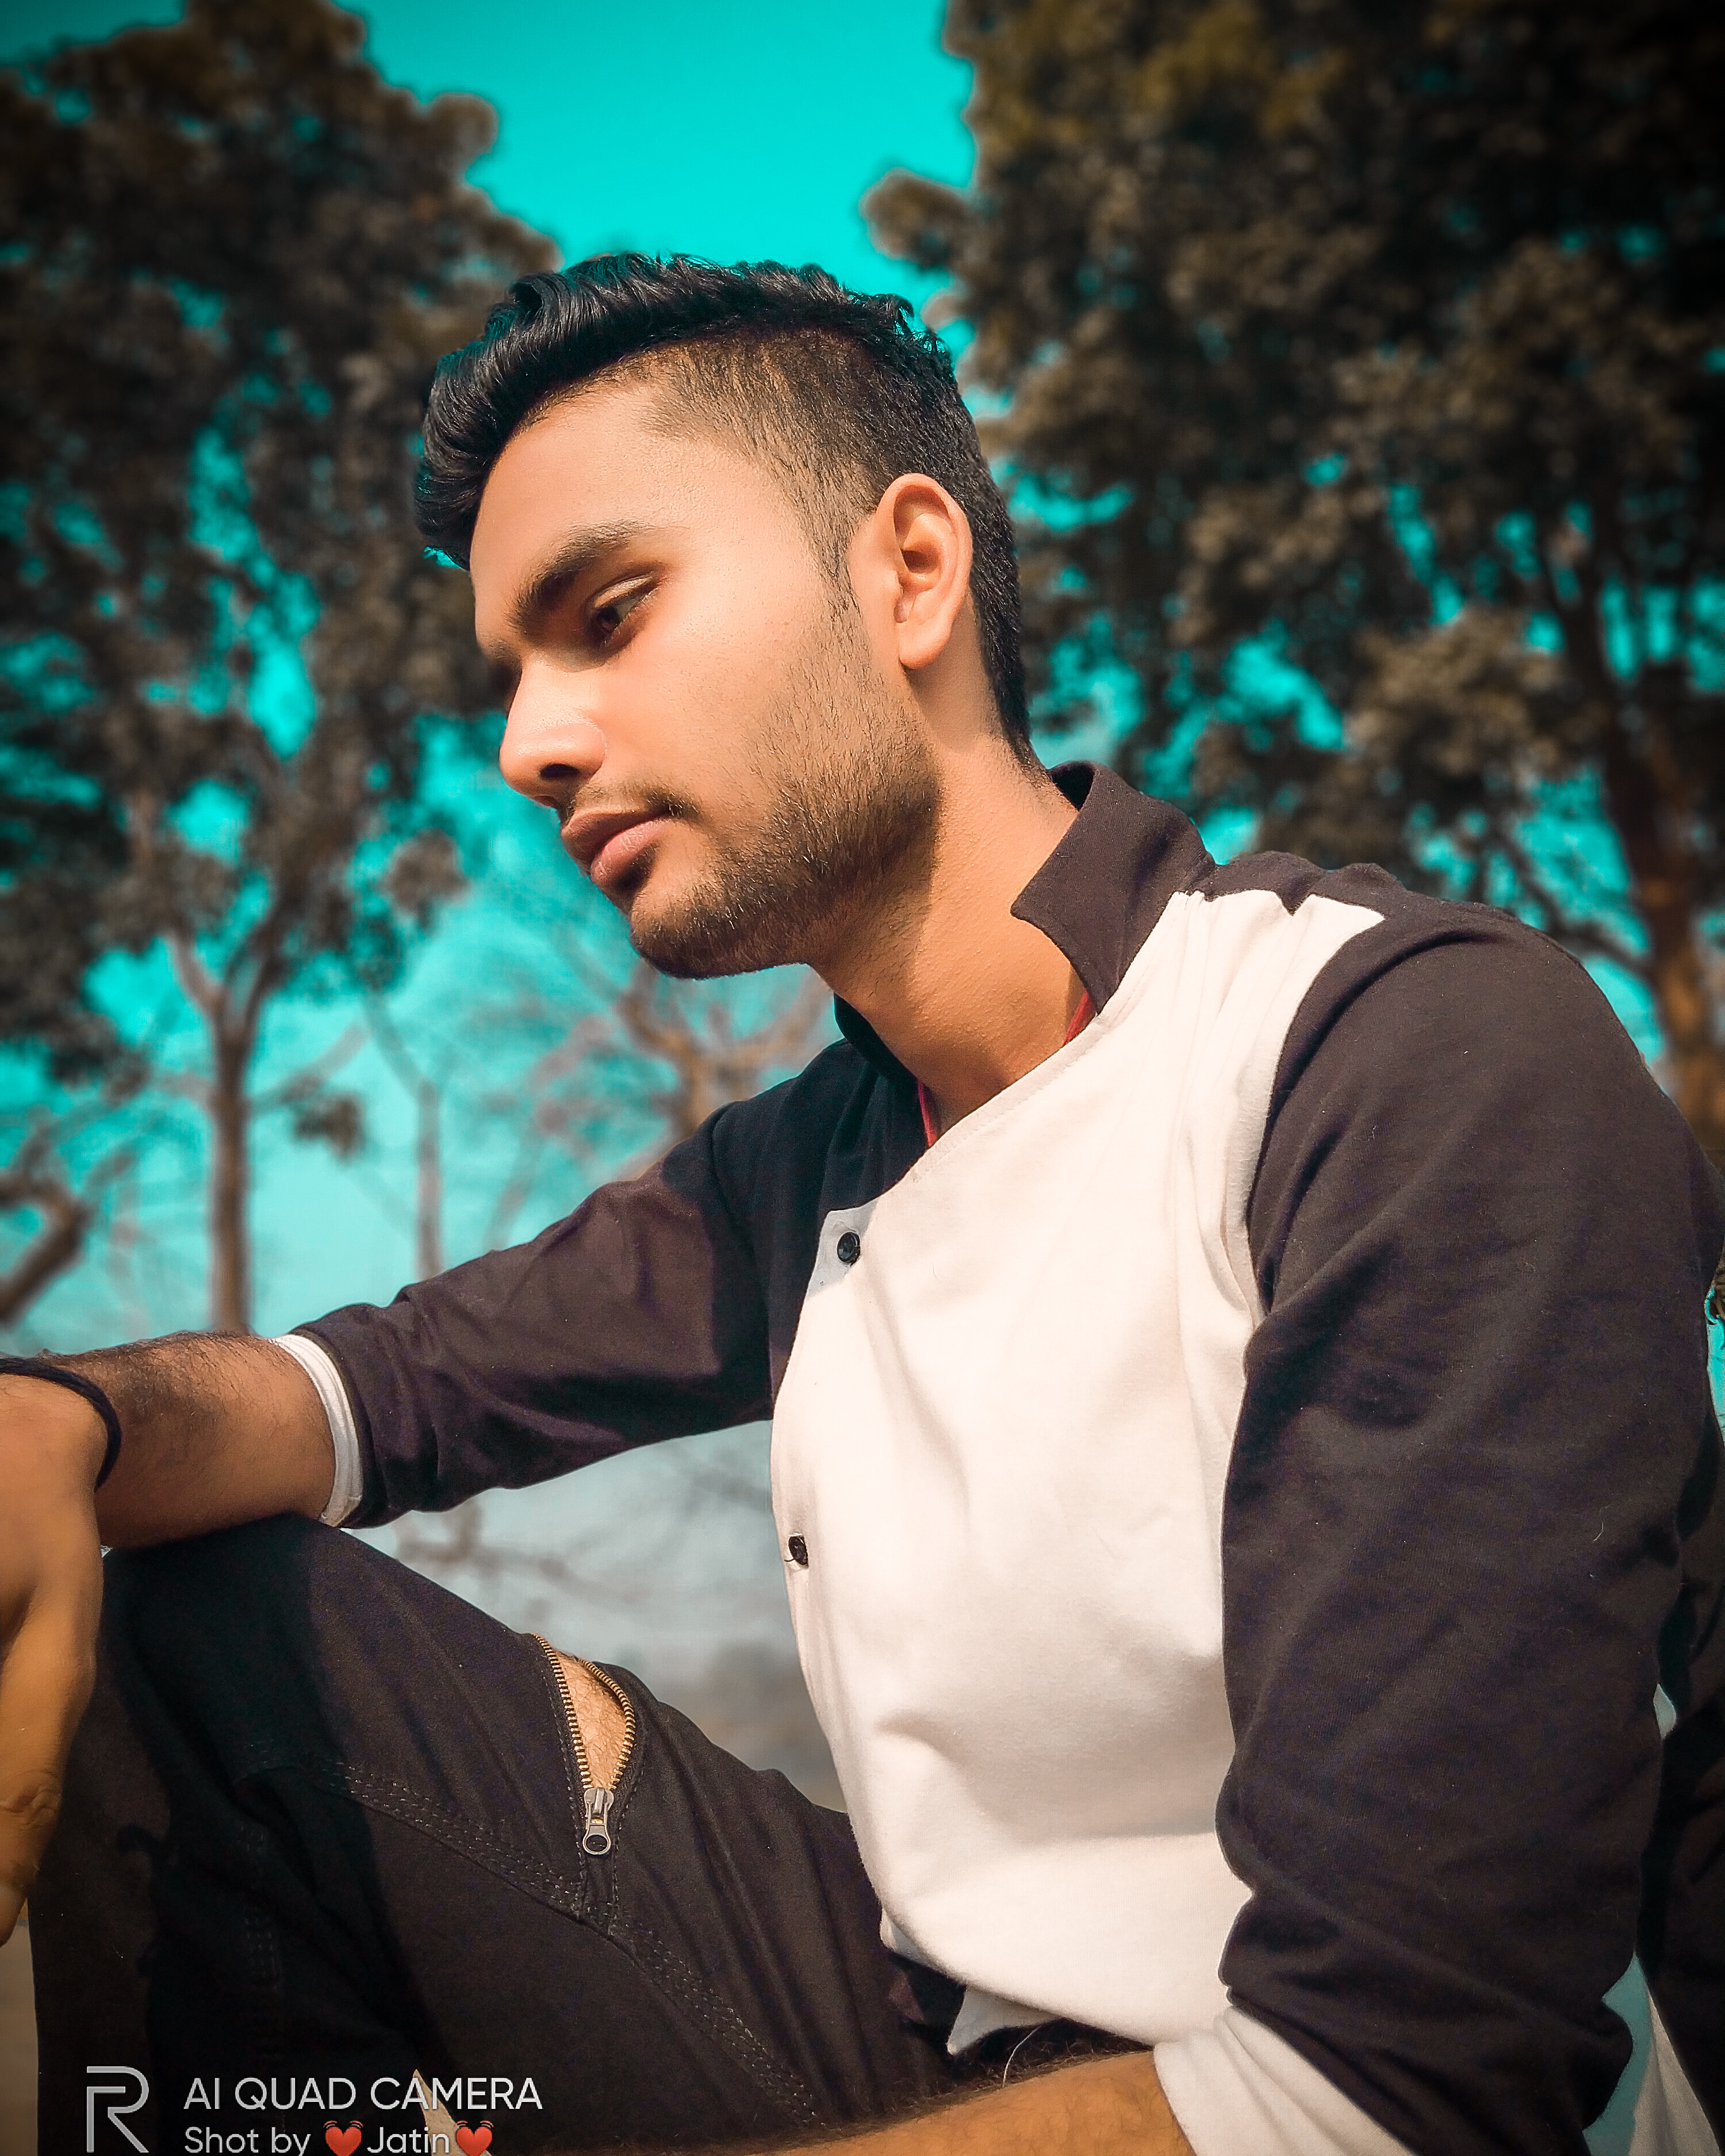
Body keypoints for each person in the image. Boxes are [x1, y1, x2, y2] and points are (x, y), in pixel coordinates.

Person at [3, 255, 1721, 2156]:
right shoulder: (812, 1169)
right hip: (931, 2040)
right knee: (202, 1632)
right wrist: (60, 1425)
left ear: (910, 570)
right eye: (513, 672)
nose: (526, 746)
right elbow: (378, 1393)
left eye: (608, 614)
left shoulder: (1391, 1056)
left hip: (1327, 2105)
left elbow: (1402, 2092)